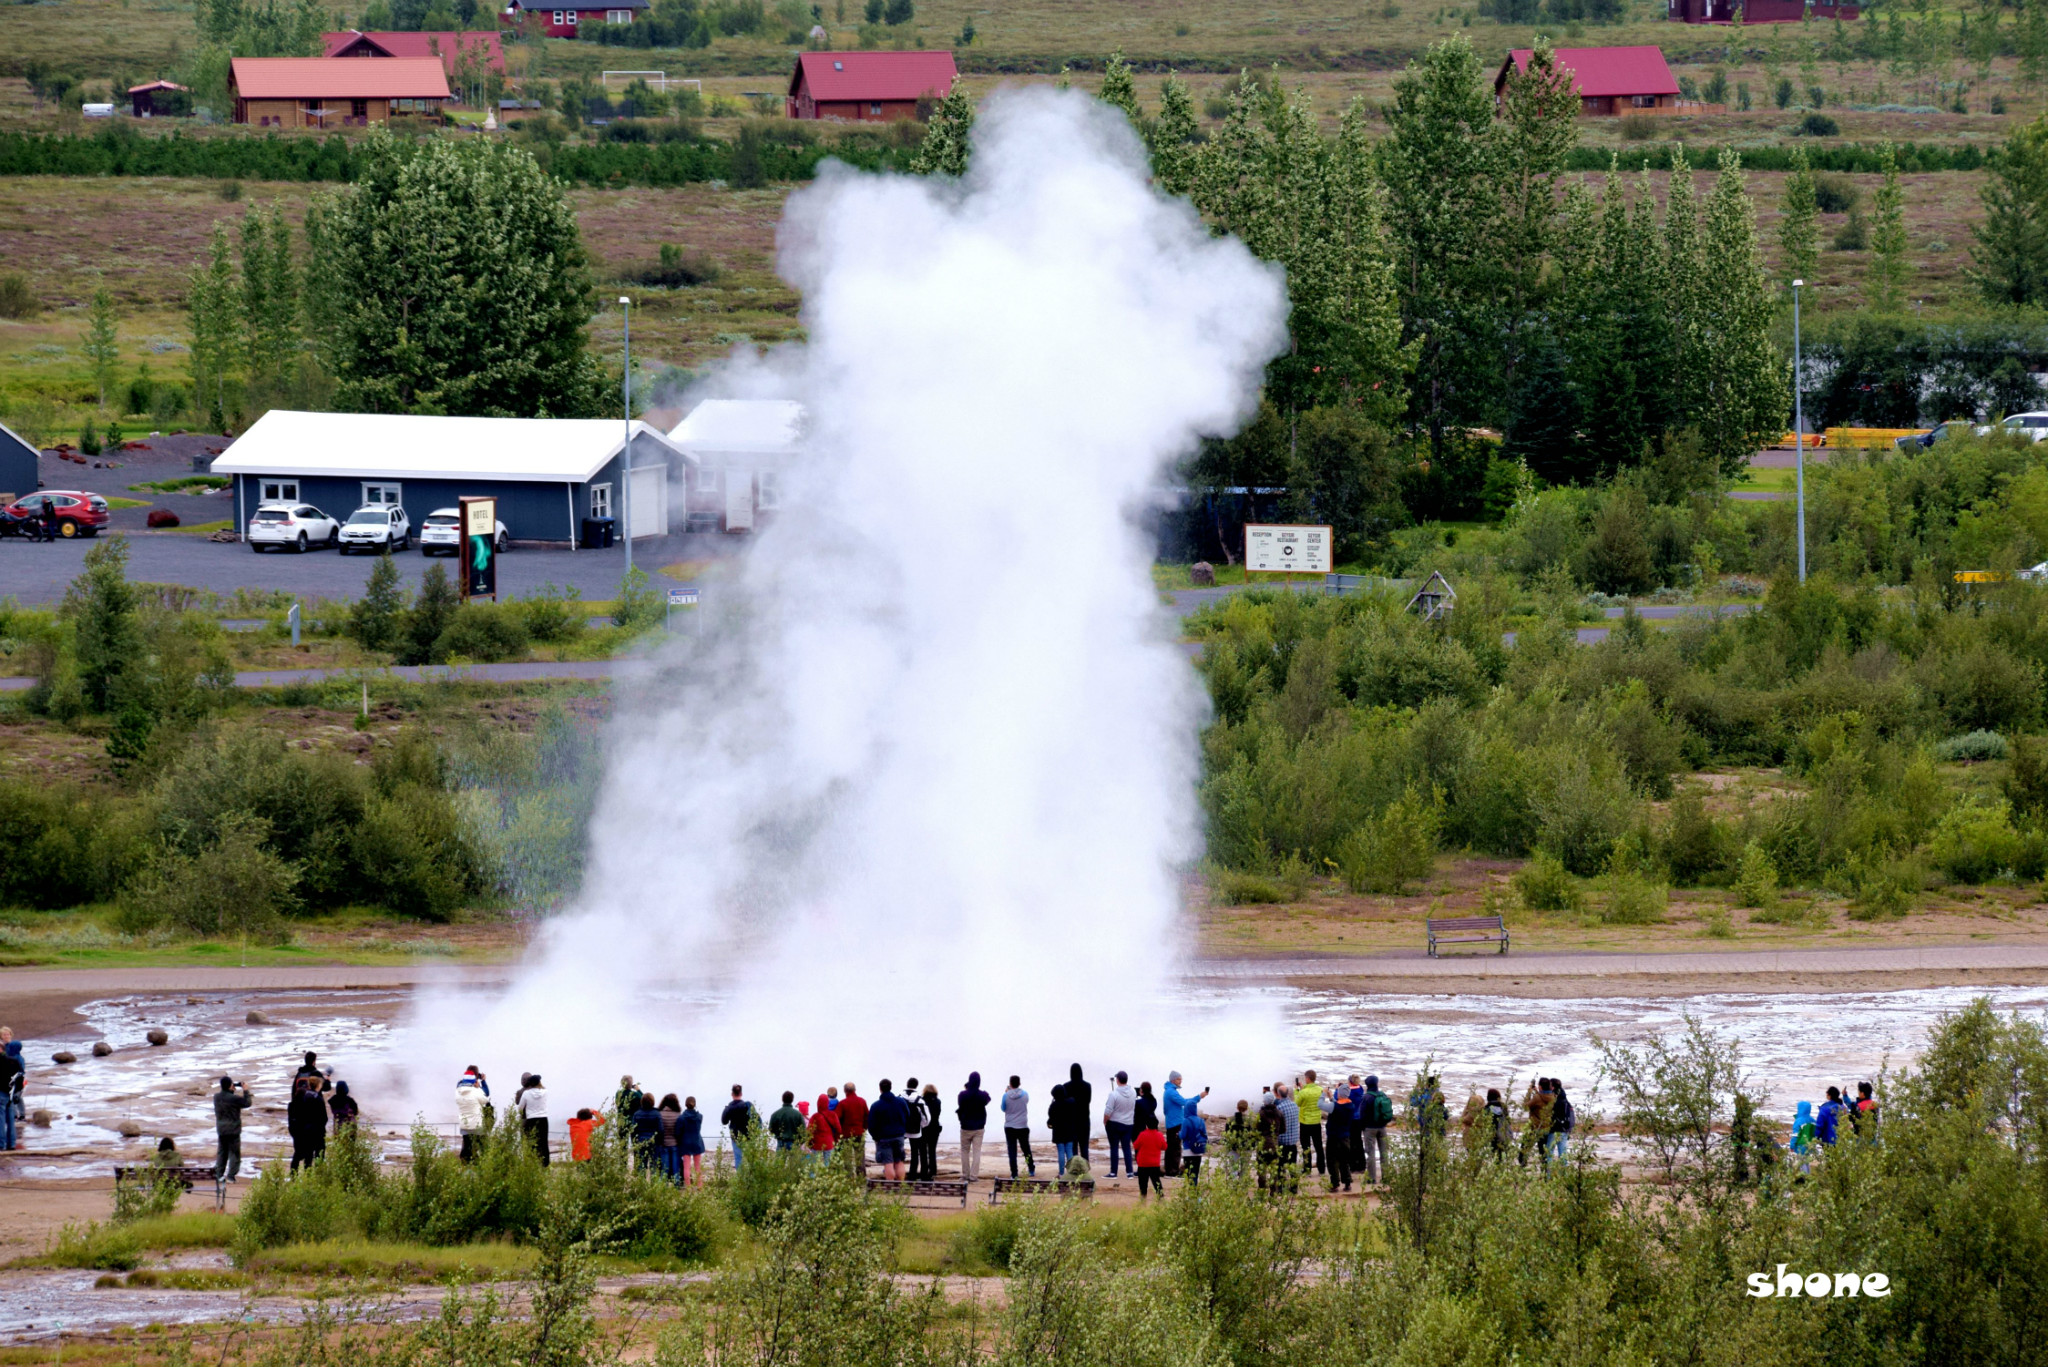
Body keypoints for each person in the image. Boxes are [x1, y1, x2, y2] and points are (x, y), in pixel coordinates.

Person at [1161, 1072, 1207, 1179]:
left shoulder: (1169, 1091)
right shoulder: (1171, 1092)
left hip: (1172, 1122)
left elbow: (1165, 1110)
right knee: (1175, 1147)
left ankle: (1170, 1169)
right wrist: (1199, 1097)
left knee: (1171, 1147)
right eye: (1178, 1079)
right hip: (1175, 1123)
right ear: (1173, 1080)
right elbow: (1184, 1102)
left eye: (1180, 1079)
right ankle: (1172, 1171)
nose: (1180, 1081)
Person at [867, 1079, 914, 1180]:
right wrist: (903, 1131)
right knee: (899, 1161)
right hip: (899, 1135)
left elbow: (871, 1124)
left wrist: (875, 1137)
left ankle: (890, 1185)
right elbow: (908, 1116)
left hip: (884, 1138)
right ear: (891, 1087)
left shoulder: (876, 1105)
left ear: (880, 1089)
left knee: (888, 1163)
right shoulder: (901, 1102)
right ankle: (901, 1185)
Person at [212, 1076, 252, 1182]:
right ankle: (231, 1175)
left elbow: (227, 1099)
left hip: (221, 1129)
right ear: (230, 1086)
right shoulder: (234, 1099)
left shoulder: (216, 1097)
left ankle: (219, 1174)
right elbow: (247, 1103)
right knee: (234, 1153)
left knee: (222, 1153)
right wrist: (245, 1090)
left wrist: (231, 1089)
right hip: (233, 1130)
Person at [287, 1077, 328, 1171]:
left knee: (306, 1154)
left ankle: (299, 1175)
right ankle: (317, 1175)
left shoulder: (302, 1098)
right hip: (316, 1131)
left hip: (303, 1131)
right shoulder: (317, 1098)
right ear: (318, 1085)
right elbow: (324, 1118)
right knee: (318, 1154)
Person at [1356, 1075, 1391, 1185]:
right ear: (1377, 1083)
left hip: (1370, 1129)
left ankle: (1371, 1178)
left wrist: (1362, 1128)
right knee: (1384, 1153)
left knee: (1371, 1153)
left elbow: (1362, 1115)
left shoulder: (1366, 1097)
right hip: (1382, 1127)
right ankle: (1386, 1177)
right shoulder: (1383, 1095)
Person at [957, 1072, 991, 1183]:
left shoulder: (962, 1095)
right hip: (979, 1127)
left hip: (965, 1126)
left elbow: (961, 1104)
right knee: (977, 1151)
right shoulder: (982, 1095)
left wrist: (967, 1088)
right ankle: (973, 1176)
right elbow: (988, 1099)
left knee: (964, 1151)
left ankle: (965, 1174)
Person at [1102, 1071, 1137, 1179]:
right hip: (1128, 1123)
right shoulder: (1133, 1092)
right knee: (1126, 1148)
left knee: (1114, 1147)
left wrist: (1105, 1121)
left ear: (1117, 1080)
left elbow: (1108, 1110)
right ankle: (1130, 1172)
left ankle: (1113, 1172)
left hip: (1115, 1123)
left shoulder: (1113, 1094)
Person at [1320, 1082, 1354, 1191]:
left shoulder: (1335, 1106)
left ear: (1339, 1094)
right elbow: (1339, 1106)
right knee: (1344, 1161)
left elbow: (1320, 1105)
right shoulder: (1350, 1105)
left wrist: (1323, 1094)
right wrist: (1332, 1098)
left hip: (1333, 1137)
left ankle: (1335, 1184)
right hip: (1345, 1137)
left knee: (1332, 1160)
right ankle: (1347, 1183)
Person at [1001, 1075, 1035, 1178]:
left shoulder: (1006, 1095)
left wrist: (1007, 1092)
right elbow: (1026, 1102)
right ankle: (1031, 1168)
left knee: (1012, 1150)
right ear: (1019, 1083)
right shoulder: (1025, 1094)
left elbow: (1003, 1108)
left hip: (1010, 1125)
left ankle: (1014, 1173)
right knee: (1026, 1149)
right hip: (1022, 1125)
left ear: (1010, 1084)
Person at [1295, 1070, 1325, 1176]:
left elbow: (1297, 1103)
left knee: (1306, 1147)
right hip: (1316, 1121)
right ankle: (1322, 1169)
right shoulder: (1321, 1090)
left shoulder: (1303, 1092)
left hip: (1305, 1122)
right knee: (1318, 1146)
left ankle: (1307, 1170)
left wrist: (1297, 1091)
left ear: (1307, 1078)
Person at [517, 1072, 551, 1166]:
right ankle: (545, 1163)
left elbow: (520, 1107)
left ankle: (531, 1163)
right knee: (543, 1141)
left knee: (531, 1141)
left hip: (531, 1119)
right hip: (543, 1119)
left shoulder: (526, 1093)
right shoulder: (545, 1092)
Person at [456, 1068, 489, 1163]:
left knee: (467, 1146)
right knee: (482, 1146)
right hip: (476, 1123)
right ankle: (481, 1164)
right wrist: (481, 1085)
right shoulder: (475, 1091)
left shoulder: (458, 1091)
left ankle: (466, 1165)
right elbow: (486, 1097)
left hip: (464, 1123)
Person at [1048, 1082, 1080, 1174]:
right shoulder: (1072, 1101)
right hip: (1070, 1130)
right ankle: (1070, 1172)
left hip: (1058, 1131)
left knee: (1061, 1152)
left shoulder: (1054, 1105)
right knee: (1069, 1151)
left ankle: (1061, 1173)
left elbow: (1050, 1116)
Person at [1133, 1116, 1168, 1200]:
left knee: (1143, 1183)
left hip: (1143, 1163)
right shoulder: (1159, 1135)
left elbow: (1135, 1145)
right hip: (1154, 1164)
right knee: (1156, 1182)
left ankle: (1143, 1197)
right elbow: (1164, 1147)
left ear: (1147, 1125)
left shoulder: (1142, 1134)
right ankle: (1161, 1197)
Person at [721, 1085, 756, 1168]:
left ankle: (740, 1179)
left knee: (738, 1159)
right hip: (748, 1136)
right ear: (741, 1093)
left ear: (732, 1094)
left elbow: (724, 1121)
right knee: (750, 1159)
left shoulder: (729, 1107)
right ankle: (750, 1178)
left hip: (735, 1136)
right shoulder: (747, 1105)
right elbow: (755, 1118)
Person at [838, 1082, 868, 1173]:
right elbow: (867, 1116)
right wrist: (864, 1128)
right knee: (860, 1157)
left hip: (846, 1133)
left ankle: (849, 1177)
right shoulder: (862, 1101)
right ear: (855, 1090)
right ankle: (861, 1177)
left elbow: (837, 1118)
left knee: (847, 1157)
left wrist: (840, 1132)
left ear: (844, 1091)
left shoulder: (842, 1103)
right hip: (859, 1132)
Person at [1066, 1063, 1093, 1161]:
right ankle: (1085, 1169)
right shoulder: (1087, 1086)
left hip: (1072, 1120)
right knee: (1084, 1146)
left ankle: (1075, 1169)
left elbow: (1066, 1104)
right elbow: (1088, 1101)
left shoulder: (1066, 1086)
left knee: (1073, 1148)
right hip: (1084, 1119)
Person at [631, 1093, 664, 1174]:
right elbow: (661, 1130)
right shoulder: (657, 1114)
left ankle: (642, 1185)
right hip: (653, 1143)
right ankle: (653, 1185)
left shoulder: (636, 1114)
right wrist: (659, 1142)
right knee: (654, 1166)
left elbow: (633, 1130)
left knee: (641, 1166)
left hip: (641, 1142)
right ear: (652, 1102)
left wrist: (634, 1142)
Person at [678, 1096, 706, 1185]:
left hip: (686, 1142)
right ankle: (700, 1185)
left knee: (687, 1166)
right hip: (697, 1141)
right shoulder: (699, 1117)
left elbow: (678, 1132)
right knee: (697, 1166)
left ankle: (688, 1187)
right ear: (695, 1104)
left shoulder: (682, 1118)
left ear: (686, 1105)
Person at [0, 1034, 21, 1152]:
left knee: (1, 1119)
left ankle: (1, 1144)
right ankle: (11, 1144)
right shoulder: (14, 1061)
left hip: (1, 1093)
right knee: (11, 1119)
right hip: (11, 1093)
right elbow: (20, 1076)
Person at [1181, 1093, 1208, 1184]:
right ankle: (1195, 1195)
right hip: (1198, 1150)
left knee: (1189, 1174)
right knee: (1195, 1173)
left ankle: (1190, 1195)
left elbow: (1183, 1135)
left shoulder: (1186, 1121)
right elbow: (1205, 1135)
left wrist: (1178, 1134)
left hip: (1188, 1150)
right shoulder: (1201, 1120)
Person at [1547, 1079, 1574, 1167]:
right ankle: (1564, 1177)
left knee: (1549, 1154)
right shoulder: (1564, 1099)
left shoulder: (1554, 1100)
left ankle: (1548, 1177)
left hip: (1554, 1129)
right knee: (1563, 1155)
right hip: (1564, 1129)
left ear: (1553, 1087)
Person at [1275, 1083, 1300, 1177]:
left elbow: (1277, 1126)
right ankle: (1294, 1188)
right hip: (1293, 1142)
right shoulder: (1295, 1106)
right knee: (1293, 1166)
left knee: (1280, 1167)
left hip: (1283, 1142)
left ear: (1278, 1094)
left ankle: (1281, 1189)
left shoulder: (1279, 1108)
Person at [807, 1092, 840, 1161]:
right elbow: (838, 1130)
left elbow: (809, 1132)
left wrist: (810, 1143)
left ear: (818, 1104)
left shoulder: (815, 1116)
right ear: (827, 1103)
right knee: (828, 1164)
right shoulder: (833, 1115)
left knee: (814, 1166)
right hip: (829, 1143)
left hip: (816, 1144)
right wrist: (835, 1140)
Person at [1484, 1088, 1514, 1161]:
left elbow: (1484, 1122)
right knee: (1503, 1152)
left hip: (1492, 1134)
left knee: (1494, 1153)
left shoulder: (1486, 1108)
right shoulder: (1503, 1106)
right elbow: (1508, 1119)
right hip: (1503, 1132)